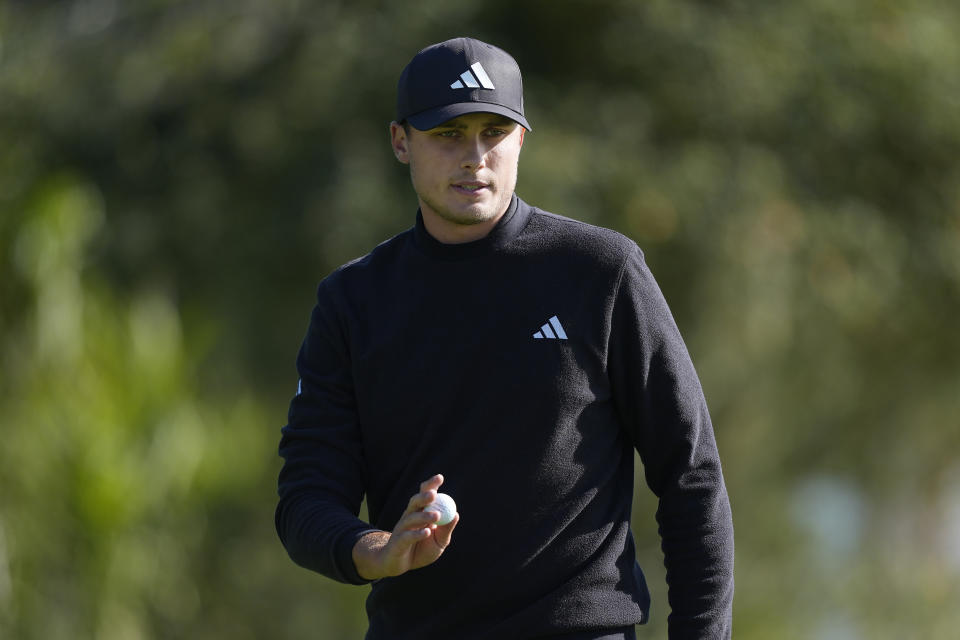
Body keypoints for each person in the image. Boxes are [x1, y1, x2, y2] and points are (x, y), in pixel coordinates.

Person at [276, 37, 734, 639]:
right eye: (447, 134)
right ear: (400, 142)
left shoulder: (600, 272)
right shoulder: (353, 302)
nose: (475, 157)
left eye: (493, 132)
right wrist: (375, 550)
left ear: (521, 139)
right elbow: (307, 497)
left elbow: (690, 473)